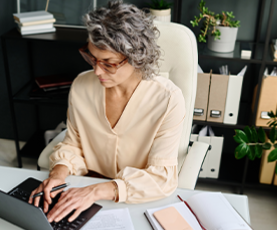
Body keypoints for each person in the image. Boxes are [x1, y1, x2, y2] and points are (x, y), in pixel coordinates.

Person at [28, 0, 186, 223]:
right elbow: (73, 143)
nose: (96, 70)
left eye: (108, 63)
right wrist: (58, 175)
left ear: (137, 57)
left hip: (134, 198)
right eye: (92, 58)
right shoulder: (82, 86)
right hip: (82, 188)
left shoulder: (168, 99)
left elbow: (162, 178)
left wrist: (95, 191)